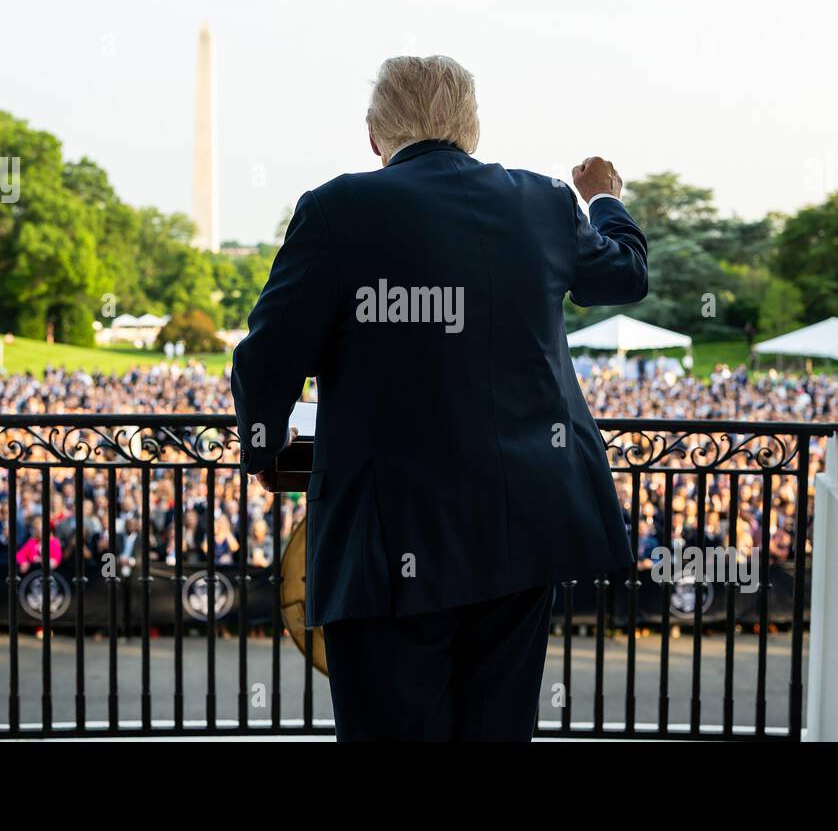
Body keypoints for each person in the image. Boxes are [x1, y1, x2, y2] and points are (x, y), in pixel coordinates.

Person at [232, 55, 649, 741]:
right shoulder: (544, 201)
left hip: (385, 535)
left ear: (374, 135)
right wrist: (602, 195)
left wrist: (264, 447)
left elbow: (267, 356)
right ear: (473, 131)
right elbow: (625, 275)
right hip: (522, 527)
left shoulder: (336, 208)